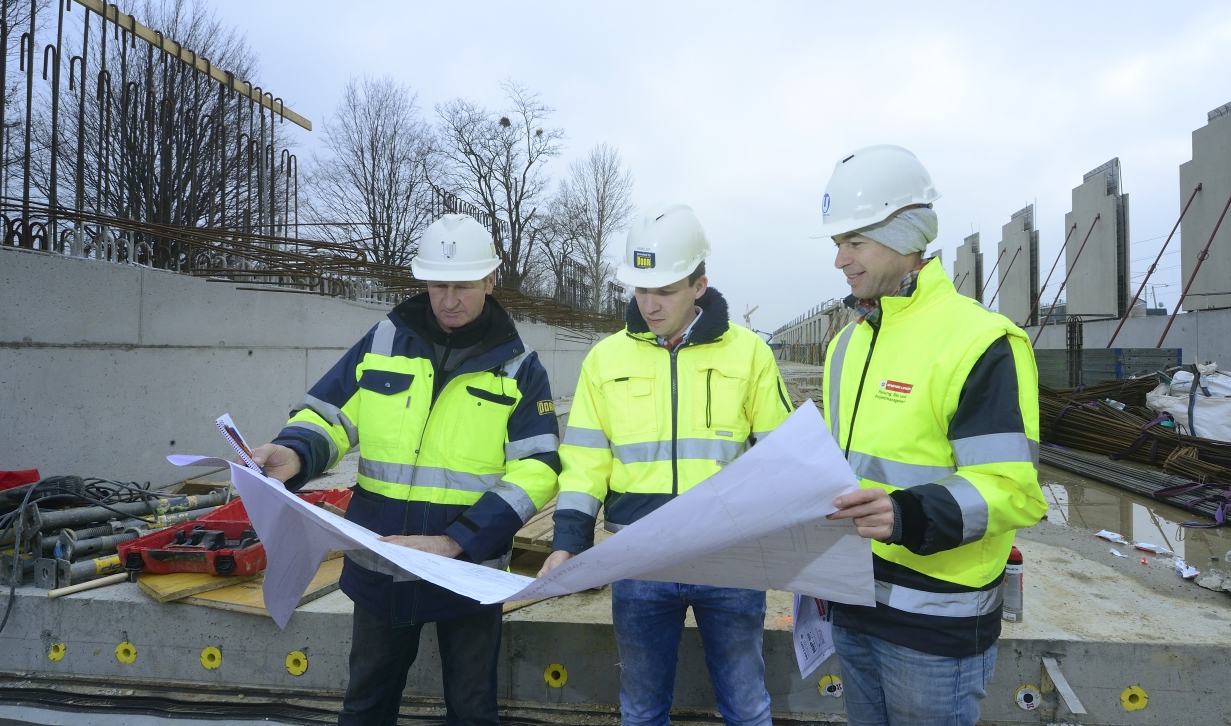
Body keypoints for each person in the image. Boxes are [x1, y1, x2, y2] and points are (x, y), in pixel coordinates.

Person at [249, 214, 560, 726]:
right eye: (438, 284)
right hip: (382, 565)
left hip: (466, 572)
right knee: (367, 705)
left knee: (472, 711)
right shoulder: (384, 341)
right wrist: (297, 453)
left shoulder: (519, 367)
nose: (449, 299)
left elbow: (538, 469)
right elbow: (330, 416)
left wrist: (457, 540)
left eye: (462, 286)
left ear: (490, 280)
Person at [811, 145, 1047, 726]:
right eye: (836, 244)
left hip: (934, 623)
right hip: (852, 600)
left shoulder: (979, 341)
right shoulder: (846, 344)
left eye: (854, 242)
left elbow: (1011, 489)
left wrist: (906, 514)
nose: (839, 260)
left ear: (905, 232)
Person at [539, 203, 794, 726]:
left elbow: (783, 456)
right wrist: (569, 542)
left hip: (730, 555)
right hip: (641, 556)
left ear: (699, 284)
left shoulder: (750, 355)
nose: (649, 305)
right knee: (641, 708)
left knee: (746, 706)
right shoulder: (605, 360)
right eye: (640, 289)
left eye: (665, 291)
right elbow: (585, 460)